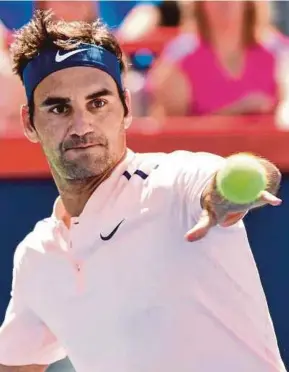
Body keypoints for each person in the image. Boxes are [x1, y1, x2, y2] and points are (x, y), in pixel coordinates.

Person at [0, 10, 286, 372]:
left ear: (126, 108)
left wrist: (226, 195)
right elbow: (15, 364)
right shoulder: (37, 256)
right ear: (29, 122)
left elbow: (234, 177)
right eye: (58, 108)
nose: (81, 124)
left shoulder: (178, 179)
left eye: (98, 102)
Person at [147, 0, 289, 119]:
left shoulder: (277, 51)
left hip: (269, 150)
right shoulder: (179, 57)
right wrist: (233, 116)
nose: (225, 3)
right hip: (202, 151)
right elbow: (168, 131)